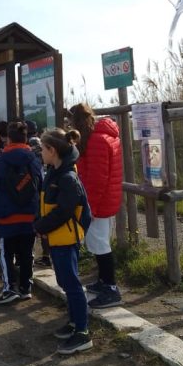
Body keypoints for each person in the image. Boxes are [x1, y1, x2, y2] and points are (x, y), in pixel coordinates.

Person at [33, 128, 94, 355]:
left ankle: (82, 332)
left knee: (72, 284)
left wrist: (41, 226)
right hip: (57, 237)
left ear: (53, 150)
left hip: (66, 238)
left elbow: (64, 211)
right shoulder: (55, 171)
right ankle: (74, 322)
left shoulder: (67, 177)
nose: (40, 153)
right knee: (65, 281)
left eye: (42, 149)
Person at [67, 103, 124, 308]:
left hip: (98, 200)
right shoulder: (103, 136)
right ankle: (104, 282)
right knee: (99, 242)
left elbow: (97, 178)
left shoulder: (97, 140)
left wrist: (90, 207)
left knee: (100, 244)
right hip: (104, 198)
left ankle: (111, 288)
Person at [0, 121, 41, 305]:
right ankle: (26, 287)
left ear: (8, 138)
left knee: (6, 253)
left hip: (6, 215)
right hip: (29, 215)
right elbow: (39, 184)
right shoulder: (34, 159)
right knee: (27, 252)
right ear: (26, 138)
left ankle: (10, 288)